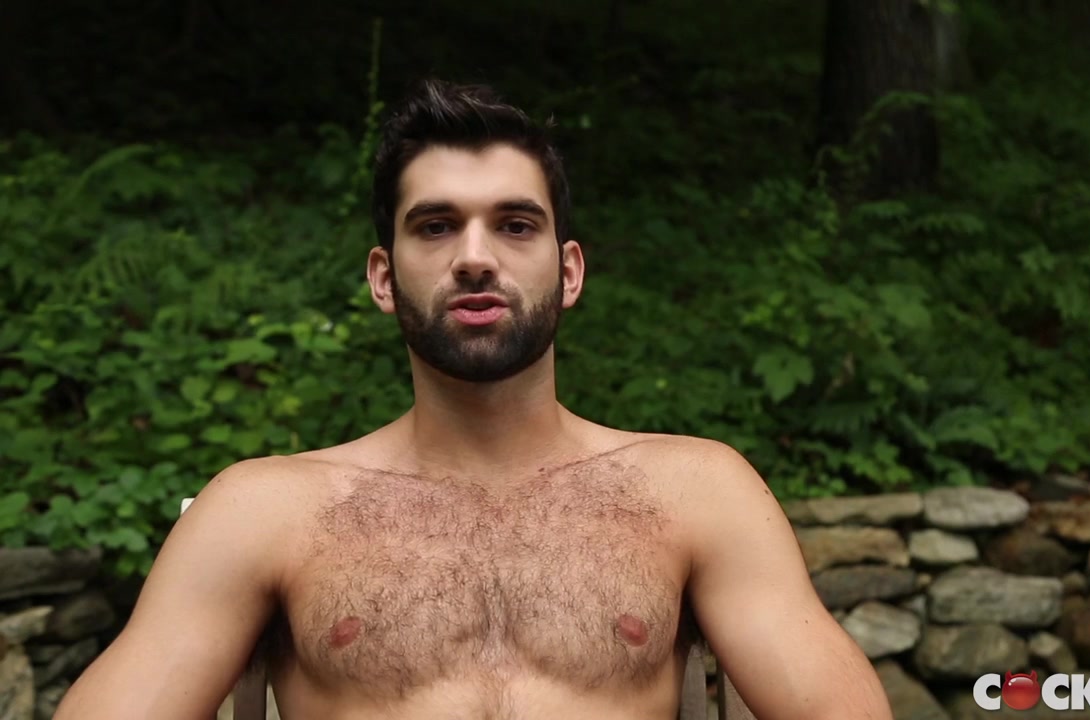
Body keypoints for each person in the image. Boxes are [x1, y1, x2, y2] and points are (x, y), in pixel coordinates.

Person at [55, 78, 893, 720]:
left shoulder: (695, 491)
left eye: (516, 225)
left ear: (569, 272)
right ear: (384, 278)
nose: (475, 257)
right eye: (435, 226)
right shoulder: (266, 510)